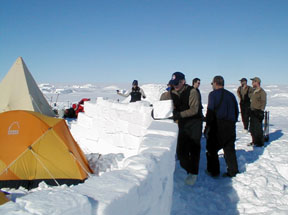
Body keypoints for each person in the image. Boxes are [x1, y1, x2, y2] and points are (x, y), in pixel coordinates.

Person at [170, 72, 203, 185]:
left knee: (194, 148)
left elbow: (194, 110)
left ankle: (193, 173)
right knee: (181, 151)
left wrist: (178, 115)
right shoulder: (172, 91)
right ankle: (188, 168)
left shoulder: (192, 92)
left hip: (195, 122)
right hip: (183, 123)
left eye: (177, 83)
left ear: (183, 81)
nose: (175, 85)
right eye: (174, 83)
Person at [204, 76, 239, 177]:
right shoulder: (231, 95)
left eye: (212, 84)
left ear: (215, 83)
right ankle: (233, 171)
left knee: (211, 148)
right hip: (231, 125)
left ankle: (213, 171)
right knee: (229, 149)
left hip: (218, 126)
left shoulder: (213, 95)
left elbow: (210, 112)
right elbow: (236, 111)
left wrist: (207, 126)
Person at [248, 77, 267, 147]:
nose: (252, 83)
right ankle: (254, 141)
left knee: (258, 128)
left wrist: (261, 111)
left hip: (258, 111)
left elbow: (263, 102)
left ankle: (260, 143)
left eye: (253, 82)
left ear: (257, 82)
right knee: (252, 128)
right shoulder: (253, 91)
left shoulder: (262, 92)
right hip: (252, 111)